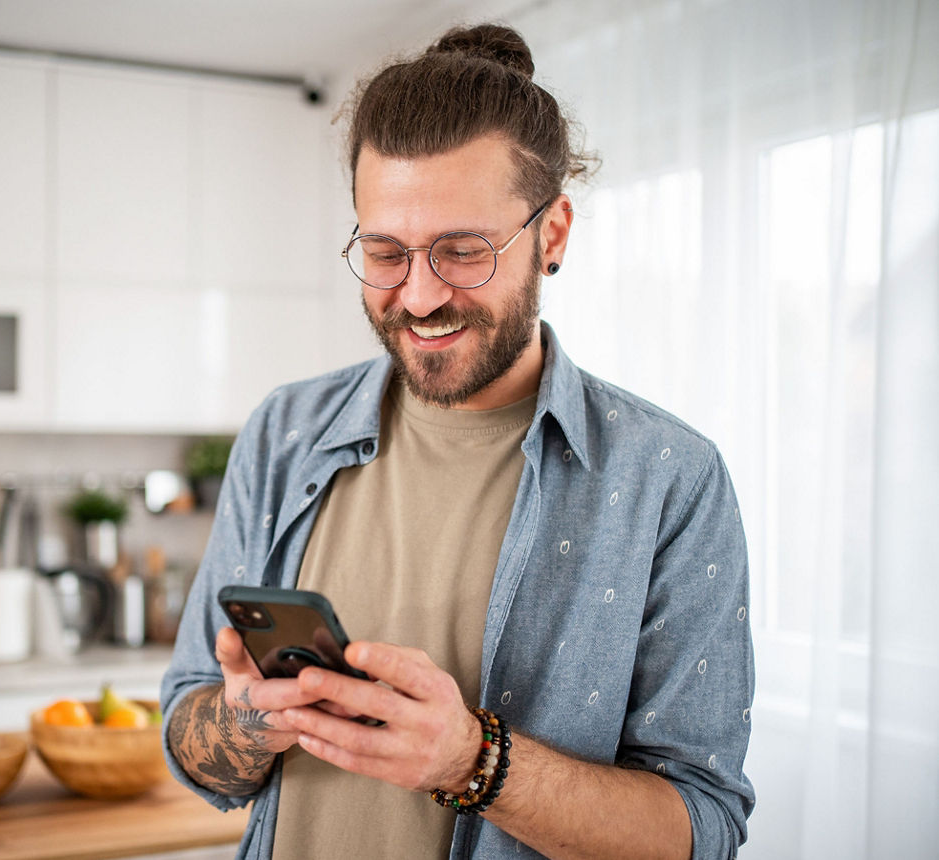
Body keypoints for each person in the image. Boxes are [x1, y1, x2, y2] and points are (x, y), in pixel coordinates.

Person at [161, 22, 755, 860]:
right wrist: (250, 725)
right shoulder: (283, 432)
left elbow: (703, 830)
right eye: (385, 252)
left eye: (462, 252)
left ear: (551, 235)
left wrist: (473, 761)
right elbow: (192, 737)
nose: (419, 296)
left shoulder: (669, 479)